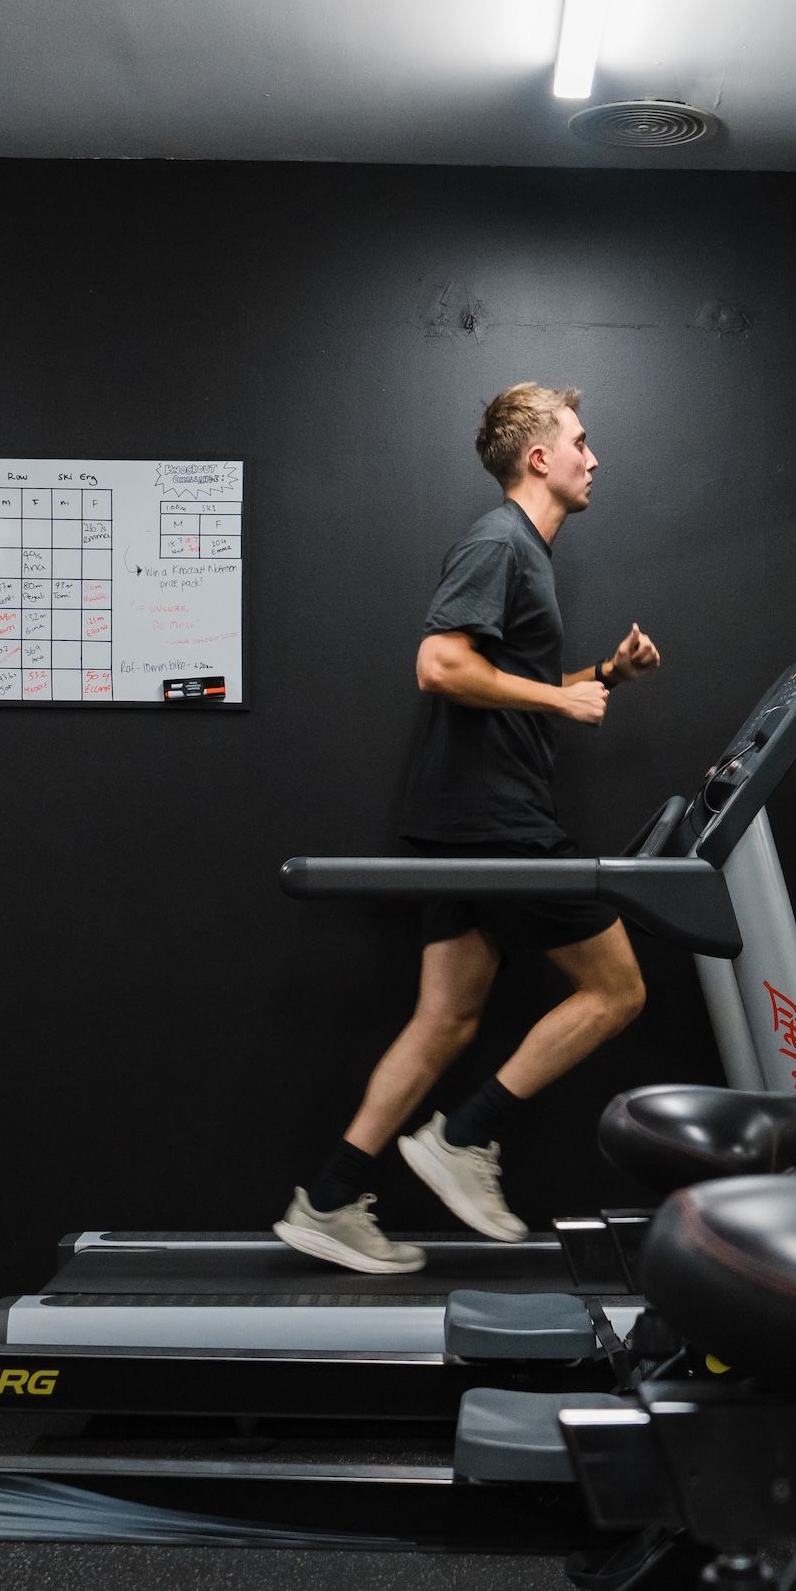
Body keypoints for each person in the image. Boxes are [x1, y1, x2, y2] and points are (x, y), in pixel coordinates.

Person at [275, 382, 661, 1273]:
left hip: (459, 815)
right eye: (580, 442)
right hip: (496, 818)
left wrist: (601, 673)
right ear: (540, 458)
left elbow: (502, 678)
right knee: (618, 990)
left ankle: (327, 1199)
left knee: (445, 1018)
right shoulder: (501, 542)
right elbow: (441, 663)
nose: (593, 458)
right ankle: (465, 1135)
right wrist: (561, 697)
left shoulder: (524, 552)